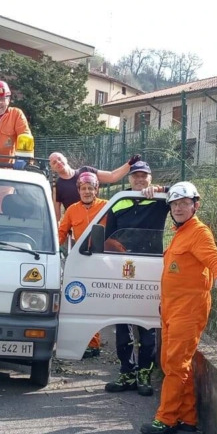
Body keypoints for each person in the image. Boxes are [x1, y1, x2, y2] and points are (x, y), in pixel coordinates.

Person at [141, 181, 217, 434]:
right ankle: (187, 416)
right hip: (172, 310)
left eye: (184, 203)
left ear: (195, 205)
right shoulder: (179, 233)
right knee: (170, 362)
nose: (179, 208)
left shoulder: (199, 232)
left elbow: (215, 258)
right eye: (174, 204)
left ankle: (166, 418)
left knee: (175, 363)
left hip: (189, 309)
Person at [102, 161, 166, 395]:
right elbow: (108, 238)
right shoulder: (119, 201)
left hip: (150, 268)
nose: (139, 180)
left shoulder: (161, 201)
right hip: (124, 268)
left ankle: (144, 374)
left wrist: (161, 189)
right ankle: (127, 372)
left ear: (150, 177)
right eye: (135, 176)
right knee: (123, 323)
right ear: (129, 179)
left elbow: (185, 194)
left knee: (147, 324)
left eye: (144, 176)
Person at [57, 171, 108, 357]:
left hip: (103, 261)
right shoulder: (71, 210)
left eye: (90, 188)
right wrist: (52, 247)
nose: (87, 192)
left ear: (96, 189)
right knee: (81, 301)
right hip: (81, 260)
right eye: (83, 188)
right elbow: (61, 233)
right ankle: (88, 343)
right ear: (78, 190)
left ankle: (94, 345)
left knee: (95, 303)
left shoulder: (106, 207)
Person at [48, 152, 143, 219]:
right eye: (54, 162)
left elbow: (112, 176)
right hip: (76, 227)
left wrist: (129, 164)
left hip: (97, 220)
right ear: (52, 168)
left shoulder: (86, 170)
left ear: (65, 159)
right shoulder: (57, 186)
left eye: (59, 159)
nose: (58, 163)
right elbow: (56, 215)